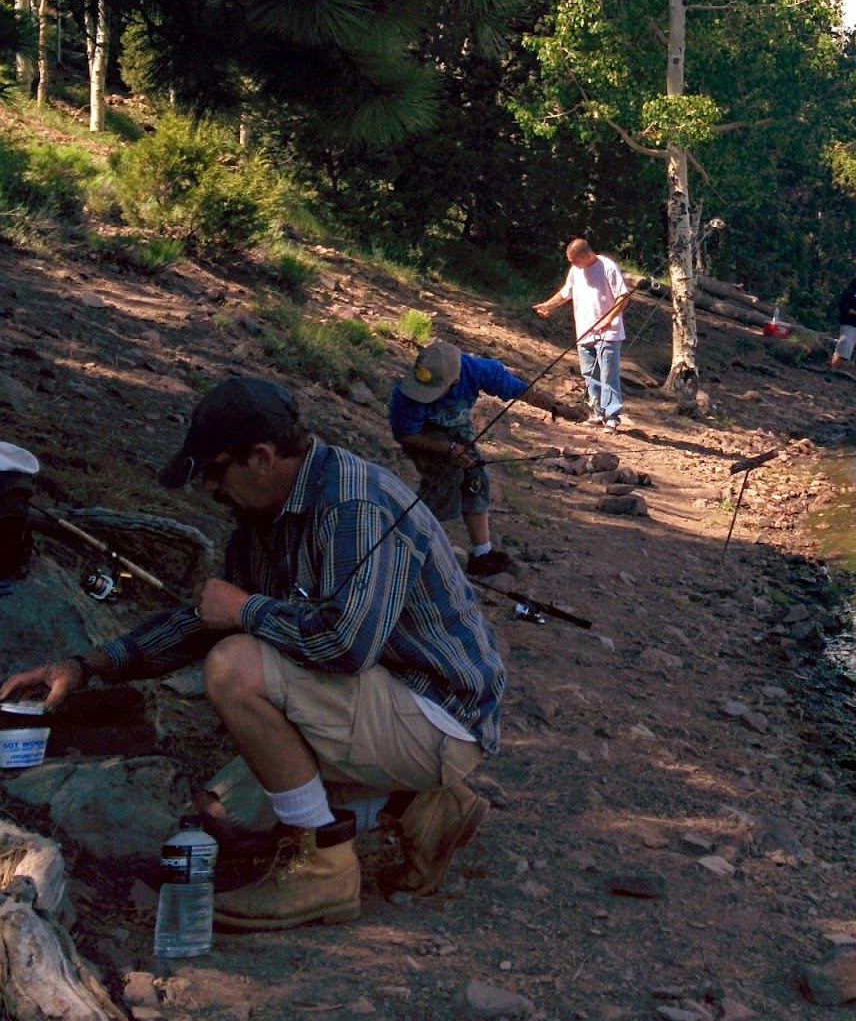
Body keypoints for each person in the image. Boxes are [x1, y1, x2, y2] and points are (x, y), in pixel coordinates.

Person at [0, 378, 506, 932]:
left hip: (438, 716)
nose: (209, 487)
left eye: (216, 471)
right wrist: (88, 666)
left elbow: (345, 645)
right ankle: (423, 807)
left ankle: (323, 868)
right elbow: (202, 622)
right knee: (216, 819)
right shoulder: (265, 516)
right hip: (382, 703)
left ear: (262, 458)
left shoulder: (355, 505)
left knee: (235, 666)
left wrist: (245, 611)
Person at [389, 338, 580, 578]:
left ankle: (482, 555)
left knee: (477, 478)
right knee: (446, 481)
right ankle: (402, 540)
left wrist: (558, 408)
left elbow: (522, 390)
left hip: (458, 430)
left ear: (455, 381)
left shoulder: (478, 370)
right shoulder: (406, 396)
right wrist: (448, 449)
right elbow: (407, 435)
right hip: (423, 436)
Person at [534, 237, 630, 430]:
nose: (573, 264)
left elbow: (623, 296)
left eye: (576, 260)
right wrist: (548, 305)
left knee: (608, 374)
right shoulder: (575, 271)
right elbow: (565, 293)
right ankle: (597, 412)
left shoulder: (607, 267)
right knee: (590, 374)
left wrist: (608, 319)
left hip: (608, 333)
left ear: (586, 255)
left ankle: (612, 416)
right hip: (584, 333)